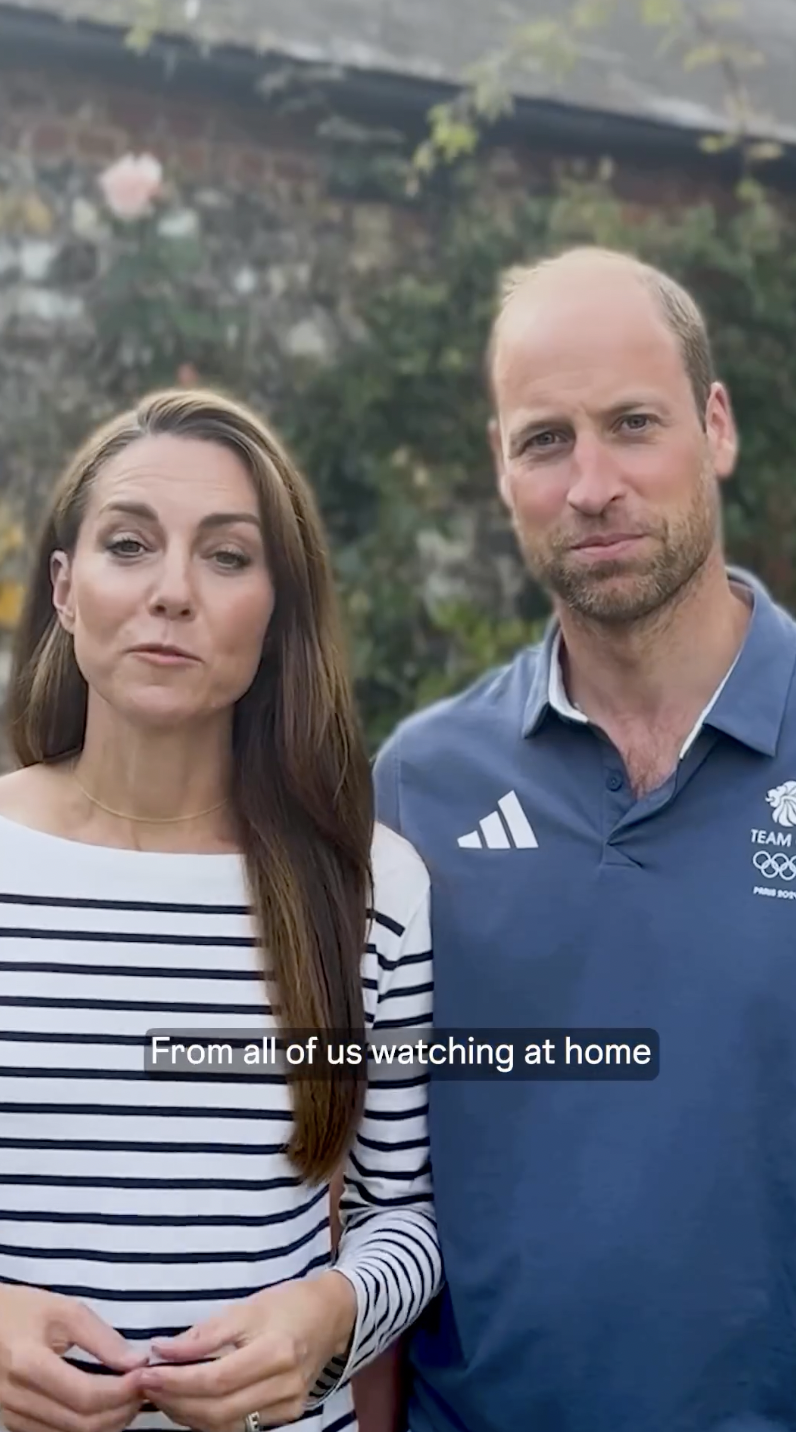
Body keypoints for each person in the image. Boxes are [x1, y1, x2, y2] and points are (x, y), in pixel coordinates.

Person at [373, 245, 796, 1432]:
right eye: (545, 439)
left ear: (715, 426)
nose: (591, 482)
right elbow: (359, 1179)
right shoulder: (418, 785)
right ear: (499, 469)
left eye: (631, 423)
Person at [0, 387, 441, 1432]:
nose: (173, 592)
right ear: (65, 588)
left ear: (276, 613)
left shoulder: (371, 890)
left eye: (228, 556)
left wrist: (328, 1314)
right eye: (128, 544)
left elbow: (406, 1220)